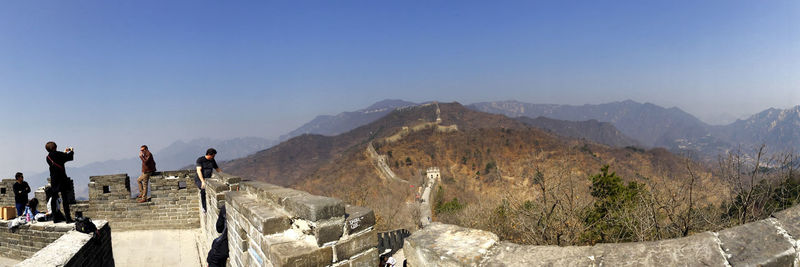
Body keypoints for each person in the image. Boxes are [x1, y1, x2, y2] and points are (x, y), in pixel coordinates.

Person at [45, 141, 74, 223]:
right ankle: (68, 218)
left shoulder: (48, 157)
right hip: (62, 179)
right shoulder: (59, 154)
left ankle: (55, 218)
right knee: (65, 199)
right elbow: (69, 157)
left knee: (54, 199)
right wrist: (71, 151)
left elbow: (58, 159)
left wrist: (64, 152)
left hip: (54, 180)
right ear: (55, 147)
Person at [196, 148, 220, 213]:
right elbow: (199, 171)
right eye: (213, 156)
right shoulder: (200, 160)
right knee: (203, 190)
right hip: (200, 179)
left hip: (208, 178)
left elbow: (217, 169)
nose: (213, 157)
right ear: (209, 154)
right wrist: (202, 181)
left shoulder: (212, 160)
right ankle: (204, 207)